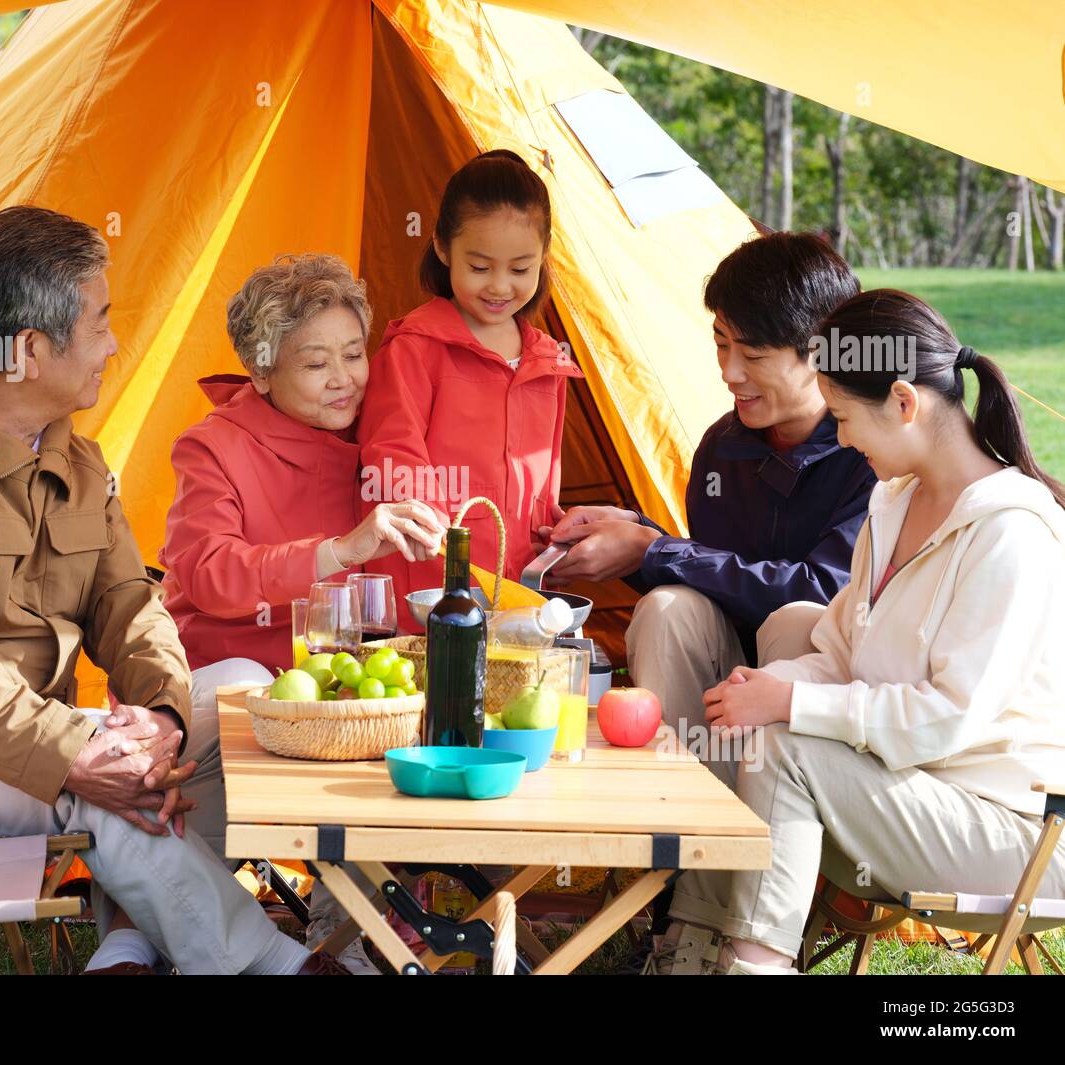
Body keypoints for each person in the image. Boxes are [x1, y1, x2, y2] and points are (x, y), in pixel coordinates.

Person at [0, 206, 349, 975]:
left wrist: (162, 714)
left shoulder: (78, 459)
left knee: (247, 701)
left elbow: (131, 603)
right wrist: (76, 748)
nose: (113, 342)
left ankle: (125, 948)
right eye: (100, 320)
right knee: (98, 767)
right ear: (30, 349)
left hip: (24, 753)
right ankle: (272, 963)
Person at [651, 289, 1065, 974]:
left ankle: (746, 960)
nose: (840, 438)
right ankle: (706, 935)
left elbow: (945, 720)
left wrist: (787, 706)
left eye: (843, 417)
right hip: (915, 788)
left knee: (786, 742)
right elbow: (841, 650)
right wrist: (764, 687)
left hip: (1012, 831)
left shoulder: (1012, 535)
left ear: (905, 402)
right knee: (790, 639)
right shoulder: (894, 502)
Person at [541, 232, 873, 781]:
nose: (729, 372)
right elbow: (713, 576)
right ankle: (684, 827)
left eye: (754, 355)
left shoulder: (869, 450)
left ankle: (773, 830)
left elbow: (822, 591)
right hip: (727, 683)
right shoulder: (725, 446)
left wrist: (656, 551)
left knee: (796, 623)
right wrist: (632, 540)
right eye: (722, 344)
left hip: (833, 692)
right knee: (669, 609)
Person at [160, 253, 444, 674]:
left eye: (353, 355)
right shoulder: (211, 447)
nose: (342, 379)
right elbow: (210, 573)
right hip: (232, 669)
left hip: (348, 678)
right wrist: (340, 552)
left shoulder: (384, 434)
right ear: (261, 371)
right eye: (315, 364)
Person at [358, 149, 583, 628]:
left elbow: (543, 487)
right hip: (428, 584)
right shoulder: (415, 347)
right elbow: (392, 453)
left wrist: (557, 533)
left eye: (521, 269)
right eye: (479, 267)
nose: (500, 286)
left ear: (544, 258)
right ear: (442, 247)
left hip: (515, 587)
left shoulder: (548, 360)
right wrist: (440, 534)